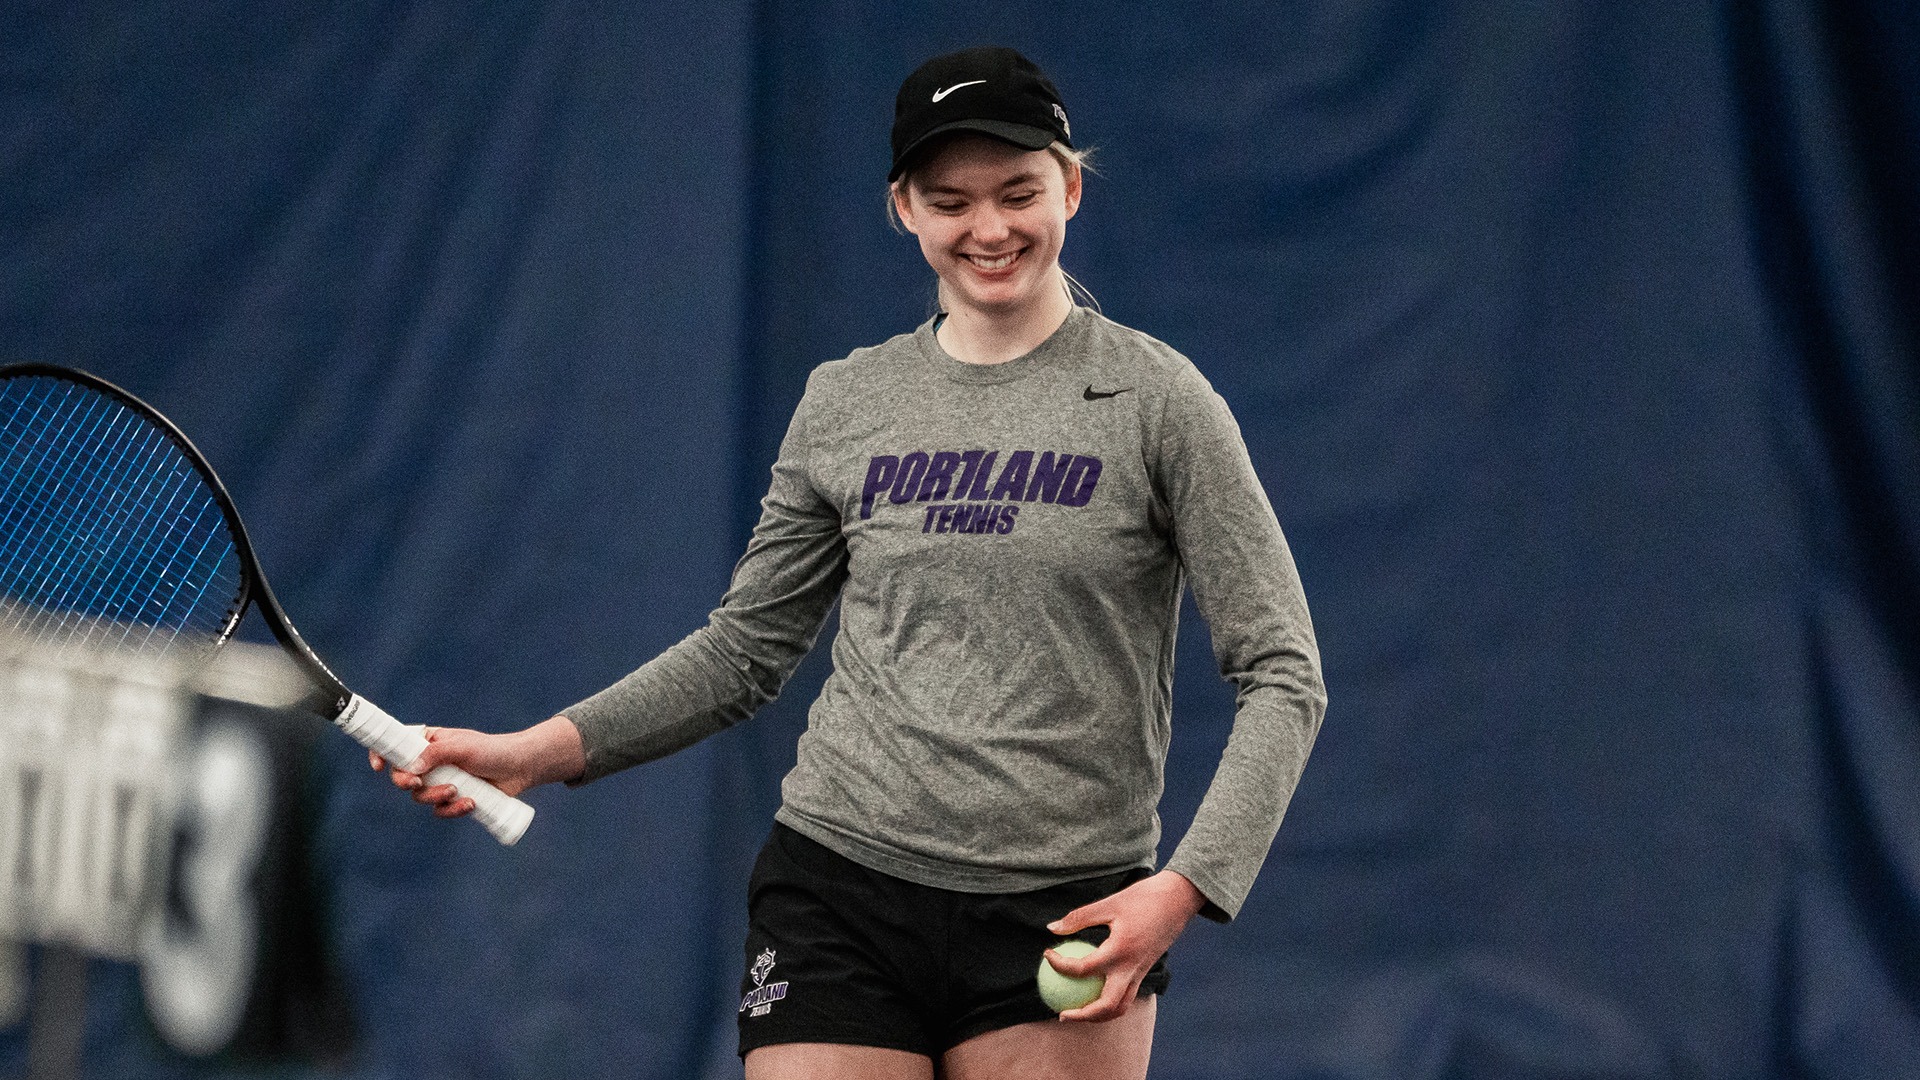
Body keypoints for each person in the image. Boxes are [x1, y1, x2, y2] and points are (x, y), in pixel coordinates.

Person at [375, 45, 1326, 1080]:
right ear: (904, 210)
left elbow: (1283, 674)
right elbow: (743, 653)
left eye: (1019, 192)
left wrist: (1183, 888)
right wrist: (532, 752)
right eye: (950, 200)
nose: (990, 229)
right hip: (839, 890)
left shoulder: (1160, 402)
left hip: (1067, 910)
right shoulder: (847, 401)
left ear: (1072, 188)